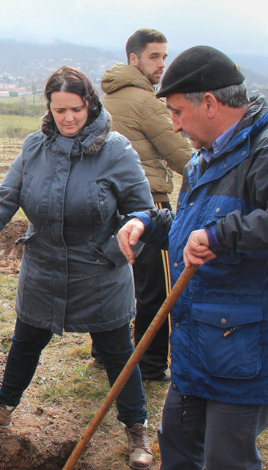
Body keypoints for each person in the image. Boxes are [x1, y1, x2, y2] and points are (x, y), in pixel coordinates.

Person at [118, 46, 268, 470]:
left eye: (176, 111)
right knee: (178, 431)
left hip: (251, 339)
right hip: (201, 331)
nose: (172, 125)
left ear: (209, 102)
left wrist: (223, 236)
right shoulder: (207, 156)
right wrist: (150, 222)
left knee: (228, 455)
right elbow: (195, 225)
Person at [0, 66, 157, 470]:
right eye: (59, 110)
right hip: (43, 268)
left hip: (100, 272)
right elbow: (3, 198)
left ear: (90, 105)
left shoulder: (117, 151)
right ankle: (2, 407)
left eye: (75, 109)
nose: (68, 118)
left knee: (118, 354)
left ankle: (137, 430)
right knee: (25, 341)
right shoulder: (34, 148)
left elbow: (143, 212)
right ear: (49, 108)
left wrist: (118, 248)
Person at [100, 29, 193, 382]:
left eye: (164, 57)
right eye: (155, 57)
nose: (162, 64)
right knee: (155, 290)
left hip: (109, 203)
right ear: (134, 59)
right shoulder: (148, 102)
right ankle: (152, 366)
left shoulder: (104, 98)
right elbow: (182, 154)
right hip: (148, 202)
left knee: (114, 280)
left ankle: (104, 353)